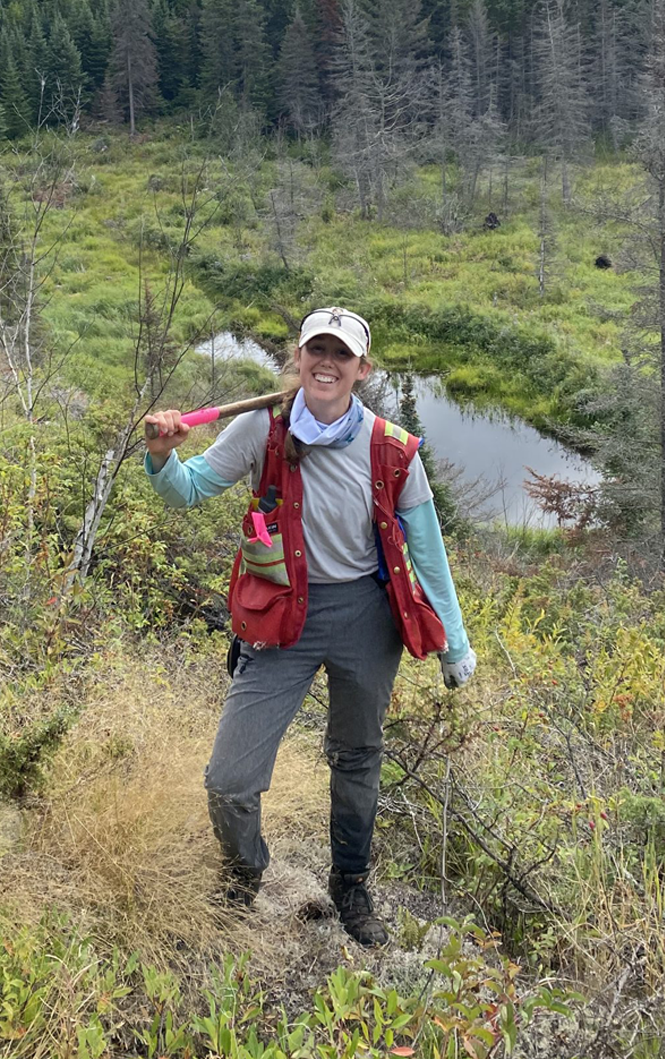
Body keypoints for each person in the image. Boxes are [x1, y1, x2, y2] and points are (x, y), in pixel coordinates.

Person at [144, 307, 476, 946]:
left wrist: (453, 645)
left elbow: (426, 551)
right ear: (297, 357)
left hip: (365, 619)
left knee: (357, 756)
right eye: (315, 350)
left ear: (362, 369)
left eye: (341, 354)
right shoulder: (258, 430)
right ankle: (243, 876)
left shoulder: (392, 448)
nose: (326, 363)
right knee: (229, 779)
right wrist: (162, 458)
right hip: (279, 615)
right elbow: (187, 491)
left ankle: (350, 885)